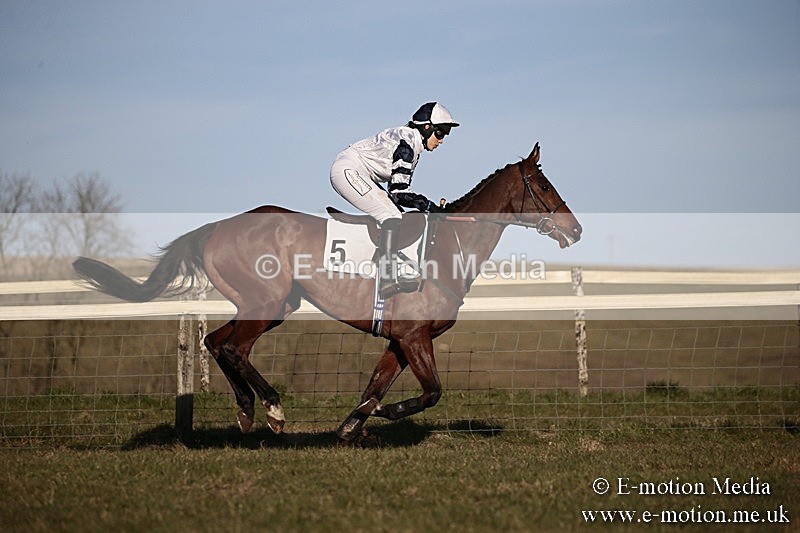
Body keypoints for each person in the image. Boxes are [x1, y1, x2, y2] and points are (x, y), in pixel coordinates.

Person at [330, 102, 459, 298]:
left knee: (395, 213)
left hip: (359, 171)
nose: (442, 140)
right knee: (390, 215)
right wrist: (430, 206)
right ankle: (387, 278)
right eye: (440, 133)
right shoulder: (407, 146)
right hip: (349, 170)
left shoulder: (412, 143)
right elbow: (400, 193)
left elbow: (396, 194)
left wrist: (426, 207)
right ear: (426, 128)